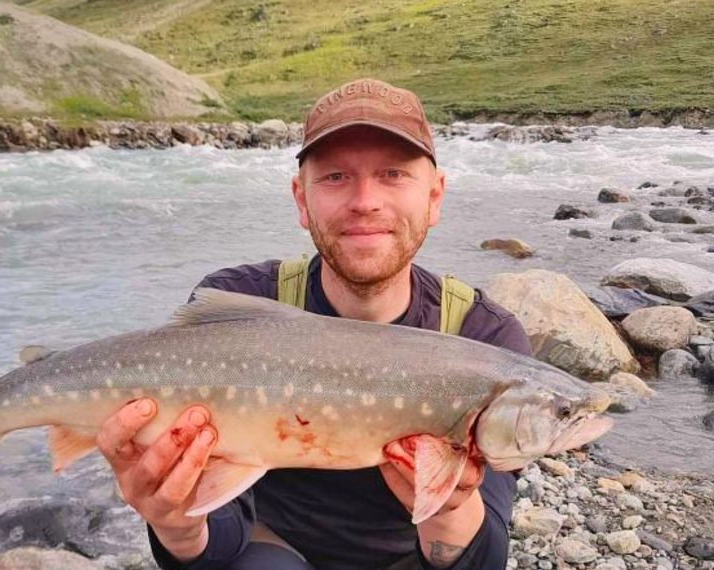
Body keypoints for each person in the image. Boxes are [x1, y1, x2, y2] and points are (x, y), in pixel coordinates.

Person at [96, 78, 533, 570]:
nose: (365, 200)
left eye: (392, 173)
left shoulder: (484, 339)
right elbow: (216, 547)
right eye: (335, 177)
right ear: (301, 200)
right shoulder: (241, 304)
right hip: (269, 549)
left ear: (434, 197)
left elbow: (484, 557)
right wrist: (177, 523)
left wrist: (447, 509)